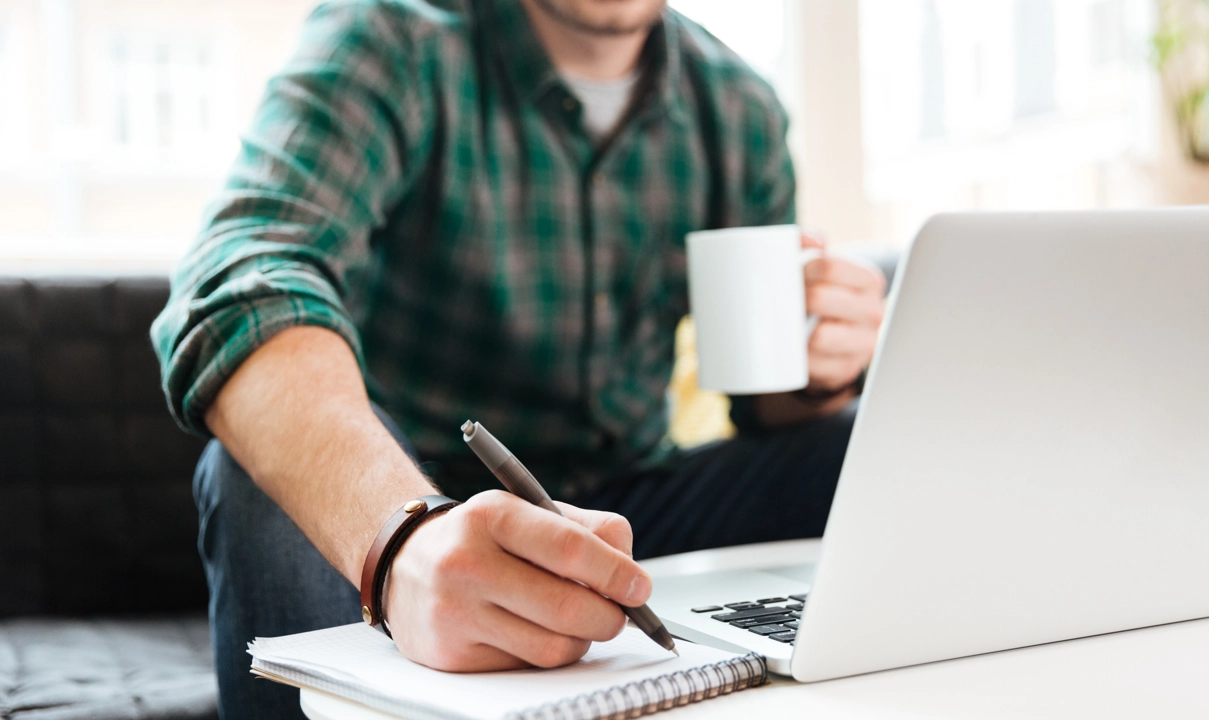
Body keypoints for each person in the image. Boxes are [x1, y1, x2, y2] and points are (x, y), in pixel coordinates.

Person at [151, 0, 886, 716]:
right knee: (252, 473)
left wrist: (819, 366)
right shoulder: (391, 37)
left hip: (630, 513)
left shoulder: (738, 105)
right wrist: (402, 535)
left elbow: (765, 407)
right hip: (419, 502)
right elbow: (240, 278)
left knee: (864, 444)